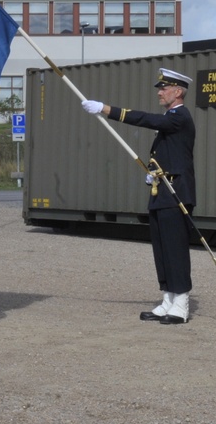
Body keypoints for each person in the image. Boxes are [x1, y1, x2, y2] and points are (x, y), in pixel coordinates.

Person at [82, 69, 197, 324]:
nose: (160, 91)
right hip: (162, 190)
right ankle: (168, 299)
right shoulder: (172, 118)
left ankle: (181, 303)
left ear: (178, 92)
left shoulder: (180, 116)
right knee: (162, 249)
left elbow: (146, 119)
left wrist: (106, 109)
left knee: (175, 249)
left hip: (176, 192)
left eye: (164, 88)